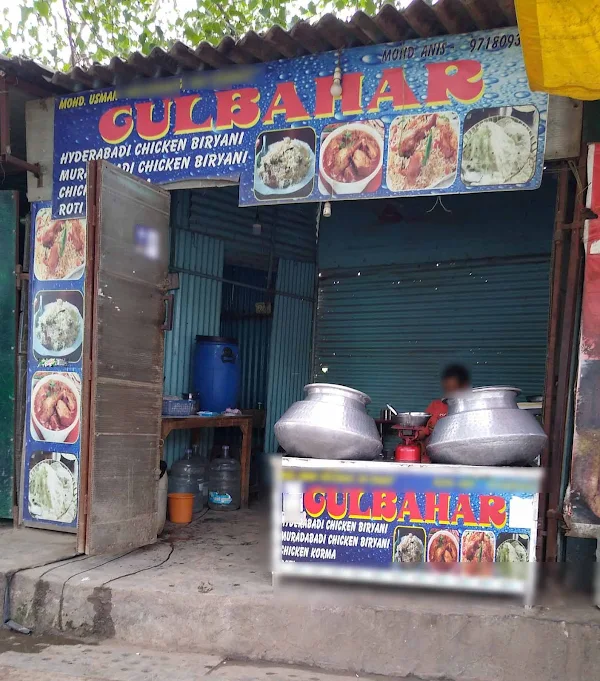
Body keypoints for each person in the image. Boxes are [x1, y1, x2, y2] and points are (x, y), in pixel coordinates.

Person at [418, 364, 471, 463]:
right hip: (434, 460)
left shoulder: (470, 408)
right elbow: (419, 434)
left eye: (453, 390)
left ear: (464, 387)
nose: (448, 393)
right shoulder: (435, 406)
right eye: (447, 389)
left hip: (462, 460)